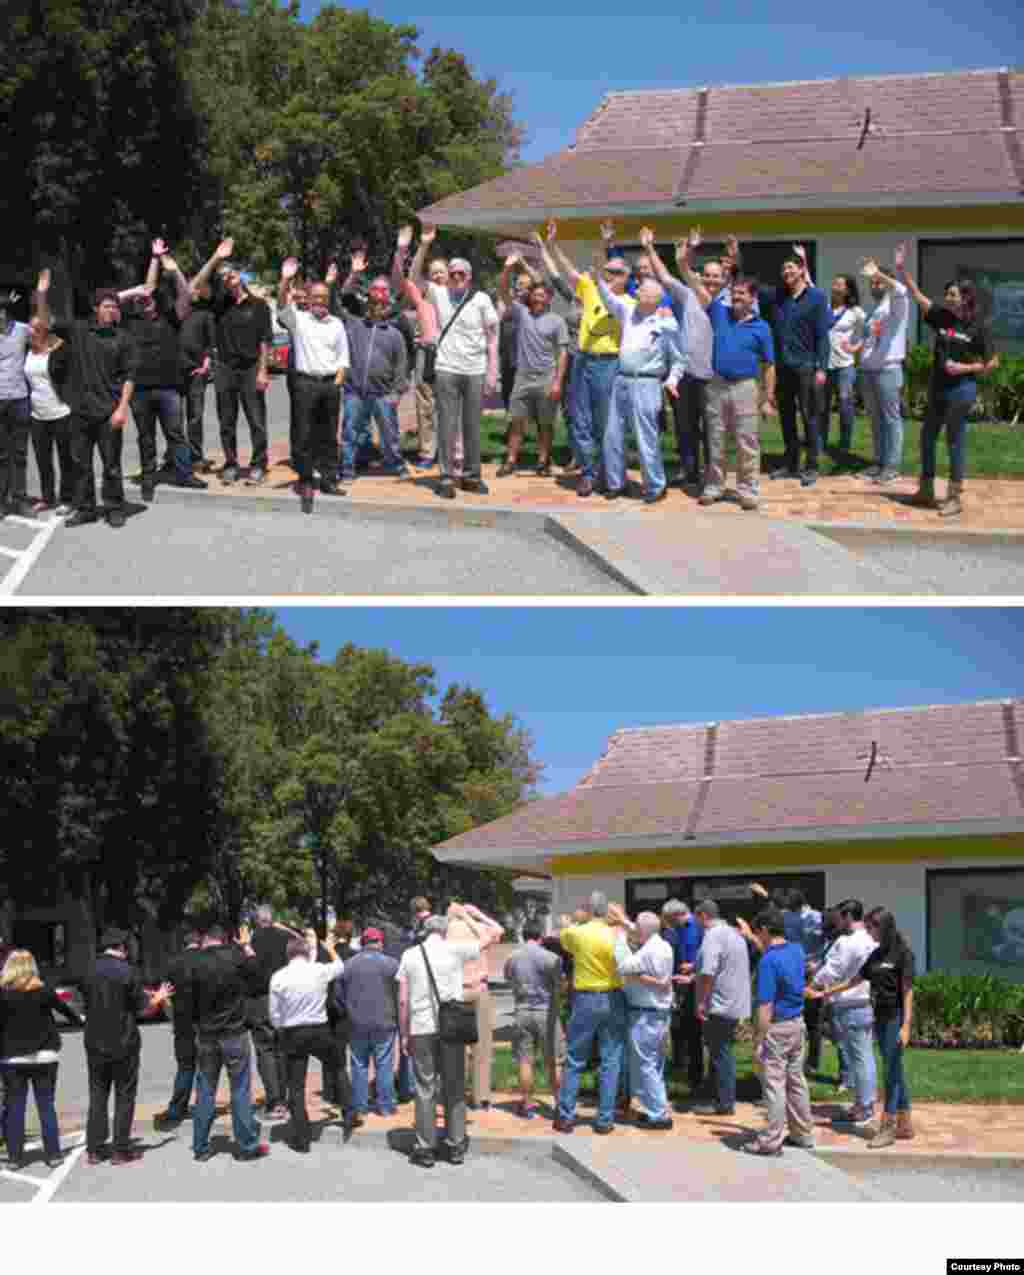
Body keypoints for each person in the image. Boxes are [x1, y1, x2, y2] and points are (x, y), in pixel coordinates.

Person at [397, 907, 500, 1168]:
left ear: (424, 930)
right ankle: (455, 1145)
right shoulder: (455, 949)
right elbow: (494, 936)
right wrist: (472, 917)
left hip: (421, 1028)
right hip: (450, 1029)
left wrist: (404, 1034)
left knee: (425, 1088)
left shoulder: (409, 955)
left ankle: (425, 1147)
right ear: (444, 931)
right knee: (454, 1087)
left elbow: (402, 1001)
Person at [34, 275, 138, 529]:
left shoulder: (123, 338)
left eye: (114, 306)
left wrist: (122, 409)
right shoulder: (79, 330)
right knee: (81, 465)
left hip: (109, 413)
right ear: (96, 308)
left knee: (111, 465)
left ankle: (114, 507)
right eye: (106, 305)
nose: (111, 309)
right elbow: (45, 322)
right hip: (80, 412)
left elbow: (129, 377)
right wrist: (41, 294)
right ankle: (86, 509)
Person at [898, 250, 995, 517]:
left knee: (954, 440)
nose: (948, 298)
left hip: (962, 389)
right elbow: (917, 295)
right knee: (927, 437)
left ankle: (954, 497)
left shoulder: (978, 326)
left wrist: (964, 367)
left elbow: (992, 362)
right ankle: (926, 489)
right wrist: (901, 269)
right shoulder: (941, 316)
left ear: (965, 297)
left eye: (953, 294)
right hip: (938, 386)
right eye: (947, 294)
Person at [816, 907, 915, 1147]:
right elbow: (854, 981)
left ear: (884, 927)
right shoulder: (877, 954)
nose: (868, 932)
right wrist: (824, 992)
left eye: (872, 927)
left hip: (895, 1018)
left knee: (891, 1072)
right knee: (895, 1068)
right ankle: (905, 1123)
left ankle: (888, 1126)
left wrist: (906, 1026)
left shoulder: (902, 953)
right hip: (878, 1017)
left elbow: (908, 991)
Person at [412, 227, 498, 500]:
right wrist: (424, 246)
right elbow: (413, 278)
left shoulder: (482, 299)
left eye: (462, 273)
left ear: (469, 277)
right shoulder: (438, 294)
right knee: (447, 424)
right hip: (447, 369)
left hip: (475, 370)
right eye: (453, 273)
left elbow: (493, 337)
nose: (457, 277)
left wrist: (492, 371)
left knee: (472, 425)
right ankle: (447, 477)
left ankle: (472, 477)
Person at [122, 239, 206, 501]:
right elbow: (107, 300)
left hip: (169, 388)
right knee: (145, 437)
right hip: (140, 390)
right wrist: (134, 289)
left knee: (176, 434)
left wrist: (173, 269)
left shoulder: (171, 317)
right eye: (141, 299)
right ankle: (148, 476)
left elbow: (186, 294)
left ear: (155, 301)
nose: (145, 301)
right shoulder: (130, 321)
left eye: (148, 298)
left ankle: (184, 474)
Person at [544, 222, 623, 498]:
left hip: (607, 363)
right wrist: (552, 245)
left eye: (617, 272)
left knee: (604, 422)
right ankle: (588, 473)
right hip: (582, 360)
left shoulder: (627, 301)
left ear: (626, 277)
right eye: (608, 272)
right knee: (580, 419)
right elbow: (568, 270)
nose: (611, 275)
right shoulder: (589, 287)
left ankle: (606, 472)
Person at [595, 265, 684, 505]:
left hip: (647, 383)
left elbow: (678, 359)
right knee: (612, 434)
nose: (636, 290)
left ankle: (655, 485)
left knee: (646, 437)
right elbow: (607, 297)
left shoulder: (666, 322)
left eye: (642, 289)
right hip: (621, 379)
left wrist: (672, 380)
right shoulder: (628, 310)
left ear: (654, 298)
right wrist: (596, 274)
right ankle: (616, 483)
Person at [81, 928, 169, 1165]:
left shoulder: (89, 970)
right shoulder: (129, 972)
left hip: (95, 1041)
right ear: (122, 947)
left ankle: (95, 1149)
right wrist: (158, 997)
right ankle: (120, 1149)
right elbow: (144, 1008)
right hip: (123, 1041)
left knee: (97, 1094)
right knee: (124, 1095)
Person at [190, 236, 272, 484]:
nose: (228, 276)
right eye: (224, 275)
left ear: (241, 276)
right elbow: (195, 286)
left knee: (256, 419)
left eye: (232, 272)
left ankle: (258, 464)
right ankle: (231, 463)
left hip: (251, 367)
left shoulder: (259, 305)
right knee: (227, 420)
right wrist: (217, 258)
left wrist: (263, 370)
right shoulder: (219, 304)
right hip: (225, 367)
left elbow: (265, 340)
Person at [638, 229, 714, 493]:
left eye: (717, 277)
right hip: (683, 374)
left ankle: (711, 476)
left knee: (711, 429)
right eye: (707, 276)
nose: (711, 281)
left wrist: (685, 258)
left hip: (713, 376)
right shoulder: (689, 296)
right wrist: (650, 249)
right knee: (685, 427)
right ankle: (690, 472)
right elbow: (668, 275)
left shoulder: (726, 302)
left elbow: (683, 270)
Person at [269, 929, 356, 1153]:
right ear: (307, 953)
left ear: (288, 954)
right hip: (319, 1030)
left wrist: (282, 1028)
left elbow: (275, 1014)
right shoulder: (318, 970)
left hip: (293, 1032)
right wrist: (330, 947)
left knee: (296, 1087)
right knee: (337, 1067)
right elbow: (340, 966)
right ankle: (349, 1112)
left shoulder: (278, 977)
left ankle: (302, 1137)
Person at [190, 922, 269, 1162]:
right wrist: (247, 947)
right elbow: (260, 976)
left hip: (206, 1035)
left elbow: (187, 999)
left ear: (206, 940)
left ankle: (201, 1147)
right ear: (225, 939)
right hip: (234, 1032)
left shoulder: (196, 962)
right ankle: (246, 1146)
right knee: (240, 1089)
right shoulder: (236, 957)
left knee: (205, 1090)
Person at [0, 948, 84, 1169]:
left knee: (15, 1107)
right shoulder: (44, 990)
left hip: (12, 1058)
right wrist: (81, 1020)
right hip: (45, 1056)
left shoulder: (3, 993)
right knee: (46, 1106)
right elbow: (67, 1012)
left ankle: (16, 1158)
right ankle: (54, 1154)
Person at [277, 259, 348, 513]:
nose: (318, 300)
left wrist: (336, 385)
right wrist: (285, 279)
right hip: (305, 383)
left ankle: (329, 479)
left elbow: (343, 358)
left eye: (323, 297)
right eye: (314, 296)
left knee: (329, 436)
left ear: (327, 299)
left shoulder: (337, 324)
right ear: (308, 298)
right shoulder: (299, 320)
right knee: (304, 434)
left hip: (329, 385)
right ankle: (306, 479)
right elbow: (282, 304)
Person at [742, 907, 815, 1155]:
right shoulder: (796, 951)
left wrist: (758, 1040)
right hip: (798, 1025)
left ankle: (770, 1141)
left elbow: (765, 1007)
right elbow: (776, 955)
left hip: (777, 1028)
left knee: (774, 1085)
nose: (756, 937)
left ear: (764, 930)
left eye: (756, 933)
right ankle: (803, 1134)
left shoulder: (767, 962)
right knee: (796, 1082)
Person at [553, 891, 627, 1135]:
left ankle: (565, 1117)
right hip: (613, 996)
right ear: (607, 911)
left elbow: (564, 934)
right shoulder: (616, 934)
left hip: (584, 998)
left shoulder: (577, 933)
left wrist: (575, 920)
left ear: (588, 909)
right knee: (611, 1059)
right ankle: (605, 1119)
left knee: (574, 1058)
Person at [756, 246, 829, 486]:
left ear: (801, 270)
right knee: (786, 417)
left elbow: (822, 335)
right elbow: (750, 285)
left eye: (790, 267)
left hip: (807, 366)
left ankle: (812, 466)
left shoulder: (817, 298)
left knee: (810, 417)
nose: (786, 272)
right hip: (783, 368)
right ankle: (791, 463)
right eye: (783, 269)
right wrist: (736, 260)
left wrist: (821, 368)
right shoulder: (778, 297)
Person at [331, 272, 408, 485]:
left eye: (382, 304)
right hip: (355, 392)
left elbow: (401, 366)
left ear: (387, 307)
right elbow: (336, 304)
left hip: (383, 394)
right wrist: (352, 275)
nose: (378, 308)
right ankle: (347, 469)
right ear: (367, 304)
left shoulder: (394, 334)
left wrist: (397, 391)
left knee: (390, 435)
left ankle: (397, 465)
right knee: (350, 433)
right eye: (373, 303)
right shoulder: (354, 325)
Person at [496, 258, 568, 477]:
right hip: (523, 377)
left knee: (545, 424)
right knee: (517, 421)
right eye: (534, 295)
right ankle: (510, 460)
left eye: (541, 295)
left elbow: (563, 353)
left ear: (548, 298)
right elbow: (502, 290)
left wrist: (557, 381)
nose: (537, 298)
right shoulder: (521, 312)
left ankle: (543, 461)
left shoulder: (557, 321)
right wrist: (508, 267)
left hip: (546, 377)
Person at [811, 898, 878, 1128]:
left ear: (848, 916)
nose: (837, 922)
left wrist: (813, 983)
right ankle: (862, 1104)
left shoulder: (845, 942)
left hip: (848, 1004)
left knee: (860, 1058)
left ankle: (865, 1106)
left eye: (840, 917)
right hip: (866, 1002)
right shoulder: (871, 940)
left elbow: (831, 971)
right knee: (863, 1057)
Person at [607, 906, 674, 1130]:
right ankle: (658, 1107)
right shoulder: (663, 945)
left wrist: (619, 939)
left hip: (646, 1014)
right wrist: (626, 923)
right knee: (655, 1065)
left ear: (643, 931)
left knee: (646, 1065)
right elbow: (641, 931)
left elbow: (624, 966)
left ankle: (658, 1114)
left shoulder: (649, 951)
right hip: (660, 1014)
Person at [689, 899, 750, 1116]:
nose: (695, 922)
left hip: (719, 1004)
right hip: (735, 1002)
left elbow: (708, 972)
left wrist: (701, 1001)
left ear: (703, 916)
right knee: (723, 1052)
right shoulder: (733, 933)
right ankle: (719, 1097)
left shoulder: (712, 936)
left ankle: (724, 1103)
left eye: (696, 917)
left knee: (721, 1054)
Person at [443, 901, 504, 1112]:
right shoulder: (479, 929)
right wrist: (476, 915)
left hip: (456, 990)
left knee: (457, 1046)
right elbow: (499, 930)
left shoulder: (448, 930)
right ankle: (481, 1097)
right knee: (483, 1046)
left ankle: (457, 1093)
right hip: (479, 988)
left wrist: (455, 916)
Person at [857, 252, 910, 483]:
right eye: (871, 282)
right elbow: (871, 339)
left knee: (891, 419)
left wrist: (879, 273)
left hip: (888, 370)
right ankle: (878, 462)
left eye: (878, 281)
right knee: (875, 419)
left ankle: (892, 465)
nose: (874, 285)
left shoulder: (897, 304)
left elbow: (901, 289)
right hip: (869, 370)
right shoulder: (876, 309)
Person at [503, 921, 564, 1118]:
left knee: (525, 1060)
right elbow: (559, 985)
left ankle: (527, 1104)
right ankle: (560, 1105)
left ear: (524, 935)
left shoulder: (513, 957)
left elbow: (508, 978)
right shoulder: (551, 957)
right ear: (541, 936)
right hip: (546, 1011)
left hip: (521, 1009)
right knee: (554, 1060)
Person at [392, 226, 441, 469]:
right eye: (435, 272)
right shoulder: (426, 294)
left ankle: (452, 451)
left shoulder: (460, 295)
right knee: (425, 401)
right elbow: (410, 277)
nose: (440, 275)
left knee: (451, 402)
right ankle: (428, 451)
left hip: (452, 353)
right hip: (425, 351)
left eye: (444, 272)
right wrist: (423, 245)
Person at [25, 273, 74, 514]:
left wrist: (41, 294)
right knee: (43, 461)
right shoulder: (27, 351)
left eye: (36, 328)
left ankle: (67, 498)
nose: (31, 332)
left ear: (44, 329)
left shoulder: (58, 348)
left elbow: (45, 319)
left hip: (61, 412)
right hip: (37, 416)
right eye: (30, 328)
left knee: (66, 460)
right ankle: (47, 497)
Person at [341, 926, 400, 1117]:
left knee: (359, 1065)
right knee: (384, 1064)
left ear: (363, 943)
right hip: (384, 1021)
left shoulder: (348, 964)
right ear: (380, 942)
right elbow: (400, 994)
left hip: (356, 1022)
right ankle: (385, 1106)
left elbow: (338, 995)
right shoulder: (391, 964)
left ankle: (360, 1106)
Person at [153, 923, 206, 1129]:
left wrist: (173, 1018)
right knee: (205, 1068)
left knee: (185, 1067)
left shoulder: (172, 964)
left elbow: (164, 997)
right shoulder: (206, 961)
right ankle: (204, 1105)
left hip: (182, 1023)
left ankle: (177, 1108)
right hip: (204, 1023)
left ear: (184, 944)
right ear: (199, 942)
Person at [247, 903, 295, 1118]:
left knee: (265, 1050)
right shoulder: (285, 938)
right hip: (284, 999)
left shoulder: (251, 940)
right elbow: (302, 941)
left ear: (257, 920)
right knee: (282, 1049)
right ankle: (284, 1098)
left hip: (260, 1000)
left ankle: (274, 1100)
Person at [0, 281, 35, 520]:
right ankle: (2, 501)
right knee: (1, 455)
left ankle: (21, 500)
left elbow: (45, 333)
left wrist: (37, 298)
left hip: (20, 399)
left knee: (20, 453)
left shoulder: (23, 330)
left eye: (3, 309)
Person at [662, 899, 704, 1092]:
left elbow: (704, 955)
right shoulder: (680, 929)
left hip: (695, 984)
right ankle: (682, 1068)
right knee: (680, 1028)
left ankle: (696, 1077)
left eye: (670, 919)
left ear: (677, 915)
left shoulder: (697, 927)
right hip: (681, 982)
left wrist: (692, 969)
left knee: (694, 1032)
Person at [824, 274, 865, 469]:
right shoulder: (825, 307)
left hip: (845, 365)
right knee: (821, 406)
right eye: (834, 282)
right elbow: (810, 284)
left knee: (845, 404)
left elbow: (870, 330)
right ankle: (820, 443)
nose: (834, 286)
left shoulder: (855, 311)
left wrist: (856, 347)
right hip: (825, 364)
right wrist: (805, 262)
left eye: (839, 284)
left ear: (847, 290)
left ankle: (844, 445)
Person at [180, 277, 216, 474]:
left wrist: (206, 366)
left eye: (195, 288)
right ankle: (175, 457)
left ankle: (196, 457)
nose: (191, 291)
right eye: (188, 288)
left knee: (195, 417)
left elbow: (211, 344)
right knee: (174, 419)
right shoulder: (178, 312)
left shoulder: (205, 314)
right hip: (175, 373)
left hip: (196, 372)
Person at [498, 267, 533, 411]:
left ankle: (521, 428)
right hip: (507, 357)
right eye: (519, 283)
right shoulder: (509, 304)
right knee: (507, 394)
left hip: (524, 360)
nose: (520, 287)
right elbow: (503, 289)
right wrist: (506, 269)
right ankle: (511, 426)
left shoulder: (533, 307)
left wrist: (524, 263)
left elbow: (539, 281)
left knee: (521, 397)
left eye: (525, 285)